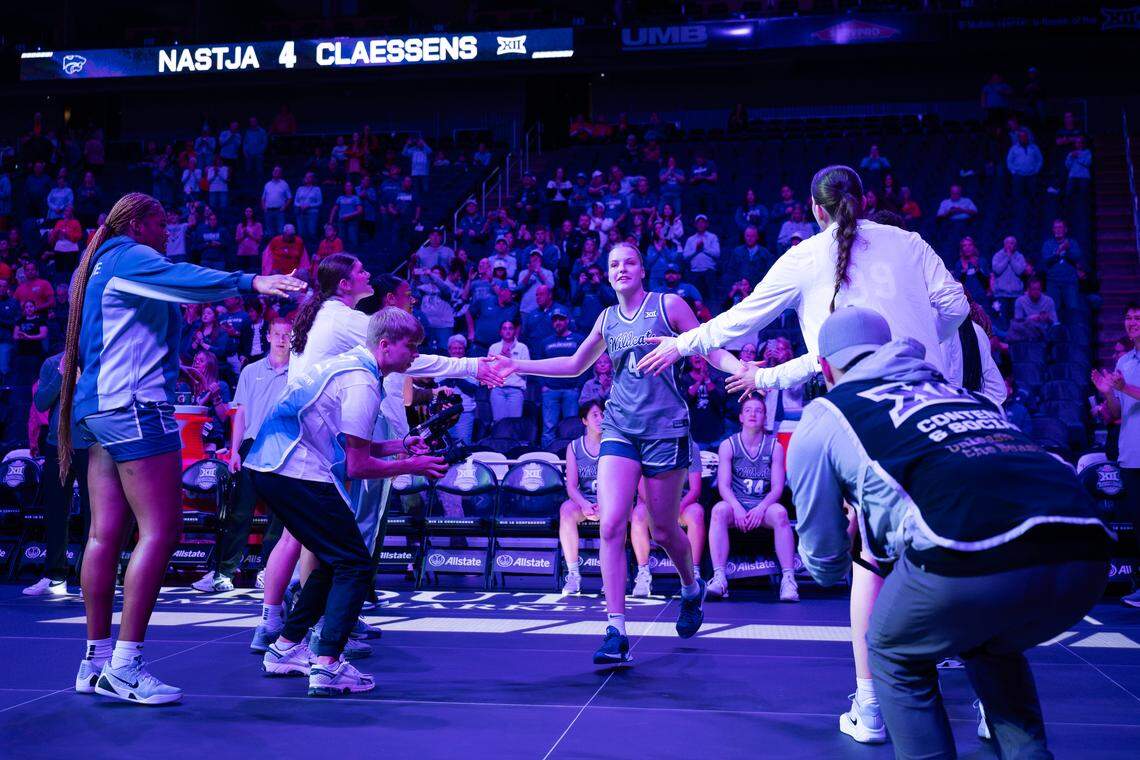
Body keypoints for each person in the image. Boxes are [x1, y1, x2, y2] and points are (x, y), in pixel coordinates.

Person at [638, 165, 968, 743]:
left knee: (870, 560)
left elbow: (739, 322)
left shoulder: (806, 257)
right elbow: (957, 307)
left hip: (868, 424)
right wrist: (924, 346)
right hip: (934, 408)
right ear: (864, 202)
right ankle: (986, 699)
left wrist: (679, 344)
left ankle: (870, 706)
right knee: (954, 551)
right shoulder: (910, 242)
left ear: (815, 211)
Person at [790, 306, 1111, 758]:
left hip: (972, 554)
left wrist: (845, 544)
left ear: (825, 366)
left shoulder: (826, 413)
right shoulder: (958, 393)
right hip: (1085, 548)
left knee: (891, 648)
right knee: (986, 642)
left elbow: (824, 564)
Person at [55, 192, 305, 705]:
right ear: (139, 222)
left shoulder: (102, 265)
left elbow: (111, 342)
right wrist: (251, 282)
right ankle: (126, 666)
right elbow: (188, 278)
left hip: (100, 410)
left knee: (104, 535)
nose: (166, 234)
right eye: (162, 224)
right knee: (162, 532)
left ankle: (96, 660)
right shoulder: (130, 254)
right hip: (134, 410)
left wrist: (176, 367)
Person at [502, 242, 743, 664]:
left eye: (629, 261)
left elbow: (708, 346)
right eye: (613, 264)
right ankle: (615, 628)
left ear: (642, 268)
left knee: (664, 530)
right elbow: (575, 365)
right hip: (619, 428)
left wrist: (742, 368)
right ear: (608, 274)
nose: (621, 268)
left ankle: (691, 587)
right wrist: (517, 366)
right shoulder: (606, 318)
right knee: (611, 524)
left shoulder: (669, 305)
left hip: (666, 429)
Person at [247, 308, 448, 696]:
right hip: (294, 469)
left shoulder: (350, 365)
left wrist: (401, 445)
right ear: (386, 345)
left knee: (333, 556)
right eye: (412, 347)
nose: (415, 356)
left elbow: (347, 443)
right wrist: (412, 465)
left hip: (272, 466)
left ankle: (286, 647)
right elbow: (356, 466)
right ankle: (327, 664)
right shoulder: (364, 383)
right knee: (355, 562)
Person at [191, 319, 292, 594]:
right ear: (268, 336)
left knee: (279, 515)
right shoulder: (251, 370)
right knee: (239, 511)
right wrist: (234, 450)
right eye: (277, 334)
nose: (282, 339)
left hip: (284, 447)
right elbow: (241, 413)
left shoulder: (299, 371)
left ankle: (269, 572)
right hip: (250, 445)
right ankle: (224, 573)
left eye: (287, 334)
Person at [706, 394, 796, 601]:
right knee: (719, 510)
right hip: (736, 504)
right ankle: (719, 577)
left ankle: (789, 580)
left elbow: (777, 487)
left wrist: (761, 508)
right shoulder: (728, 445)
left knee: (781, 513)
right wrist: (737, 507)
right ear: (741, 417)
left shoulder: (775, 447)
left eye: (758, 410)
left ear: (765, 417)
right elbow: (724, 485)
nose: (753, 414)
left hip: (762, 507)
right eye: (748, 410)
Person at [21, 352, 90, 597]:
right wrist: (61, 375)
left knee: (93, 514)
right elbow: (40, 402)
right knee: (56, 512)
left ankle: (89, 578)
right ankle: (54, 576)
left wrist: (83, 383)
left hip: (90, 445)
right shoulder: (52, 363)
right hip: (57, 445)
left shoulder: (97, 358)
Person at [1092, 302, 1140, 608]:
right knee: (1137, 525)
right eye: (1129, 317)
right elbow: (1115, 413)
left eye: (1138, 317)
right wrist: (1108, 392)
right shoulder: (1124, 361)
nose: (1133, 322)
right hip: (1132, 455)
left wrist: (1125, 386)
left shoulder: (1125, 371)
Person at [630, 438, 705, 597]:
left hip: (681, 505)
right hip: (652, 505)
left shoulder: (691, 446)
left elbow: (695, 490)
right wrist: (658, 509)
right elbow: (642, 488)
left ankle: (694, 571)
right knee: (637, 514)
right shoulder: (645, 443)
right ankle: (643, 572)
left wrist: (676, 508)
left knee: (697, 513)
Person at [559, 399, 609, 594]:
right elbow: (571, 486)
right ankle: (573, 575)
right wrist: (585, 504)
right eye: (595, 415)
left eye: (603, 415)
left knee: (615, 516)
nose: (600, 419)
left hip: (610, 501)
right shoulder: (574, 447)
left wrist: (604, 506)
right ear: (584, 421)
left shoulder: (614, 444)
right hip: (586, 500)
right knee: (566, 510)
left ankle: (610, 578)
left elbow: (620, 483)